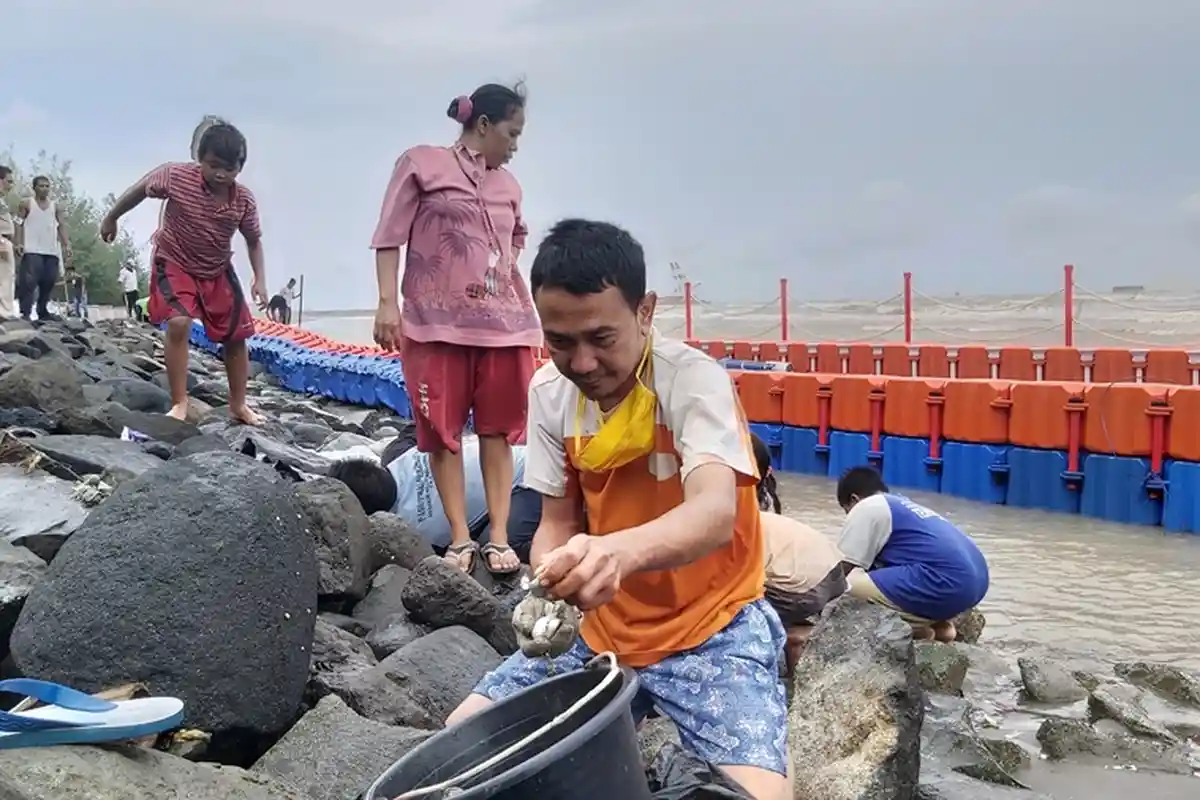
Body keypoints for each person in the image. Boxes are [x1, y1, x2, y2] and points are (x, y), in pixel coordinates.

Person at [445, 219, 790, 800]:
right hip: (596, 632)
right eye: (560, 341)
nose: (581, 363)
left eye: (601, 339)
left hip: (712, 628)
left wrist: (613, 553)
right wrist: (552, 575)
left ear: (645, 311)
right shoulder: (550, 393)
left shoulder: (693, 382)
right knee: (459, 752)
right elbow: (555, 523)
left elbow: (714, 512)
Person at [369, 83, 539, 576]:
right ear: (482, 125)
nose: (515, 145)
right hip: (433, 323)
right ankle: (462, 538)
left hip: (503, 328)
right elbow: (389, 235)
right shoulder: (421, 164)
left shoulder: (510, 185)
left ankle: (500, 536)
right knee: (441, 433)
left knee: (498, 430)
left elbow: (514, 244)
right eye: (512, 132)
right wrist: (387, 304)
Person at [99, 117, 269, 424]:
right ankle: (180, 402)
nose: (220, 174)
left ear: (240, 168)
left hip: (217, 269)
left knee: (236, 335)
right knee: (178, 323)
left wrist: (260, 279)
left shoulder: (243, 200)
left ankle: (239, 405)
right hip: (175, 260)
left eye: (229, 169)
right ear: (199, 159)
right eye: (213, 164)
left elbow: (254, 240)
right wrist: (111, 218)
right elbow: (139, 190)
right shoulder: (176, 176)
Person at [328, 435, 543, 563]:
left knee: (493, 547)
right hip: (519, 456)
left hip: (530, 484)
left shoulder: (417, 529)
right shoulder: (399, 456)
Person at [835, 466, 989, 642]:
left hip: (945, 583)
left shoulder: (866, 506)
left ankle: (913, 631)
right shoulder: (902, 506)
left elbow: (842, 567)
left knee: (845, 586)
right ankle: (937, 628)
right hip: (974, 586)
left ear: (854, 499)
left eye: (846, 509)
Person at [750, 433, 846, 674]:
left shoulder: (731, 518)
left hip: (805, 590)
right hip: (834, 573)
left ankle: (785, 641)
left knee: (733, 600)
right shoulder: (760, 508)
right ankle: (798, 635)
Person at [15, 175, 71, 322]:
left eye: (47, 186)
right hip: (32, 249)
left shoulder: (55, 207)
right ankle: (25, 312)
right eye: (41, 186)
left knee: (49, 281)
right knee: (29, 283)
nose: (45, 189)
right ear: (34, 188)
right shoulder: (26, 204)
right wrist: (19, 243)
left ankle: (42, 310)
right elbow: (19, 223)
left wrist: (67, 245)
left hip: (51, 250)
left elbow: (62, 226)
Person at [0, 166, 15, 320]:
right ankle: (4, 313)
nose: (11, 185)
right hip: (1, 240)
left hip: (5, 239)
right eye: (8, 181)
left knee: (6, 277)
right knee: (4, 278)